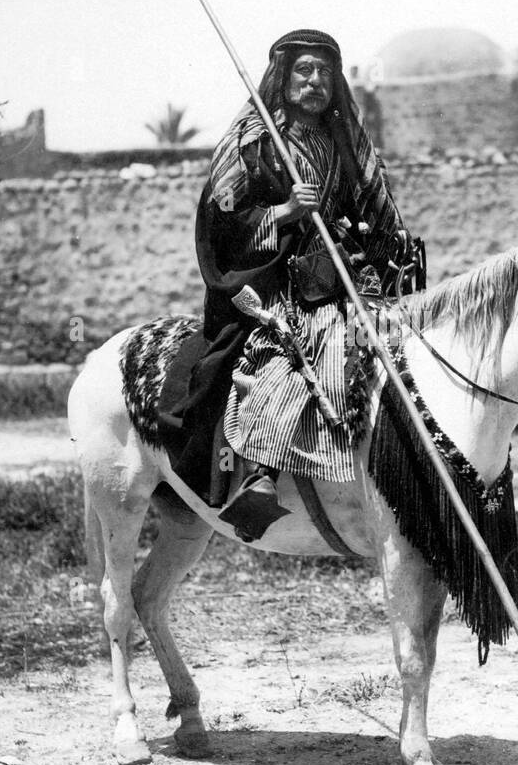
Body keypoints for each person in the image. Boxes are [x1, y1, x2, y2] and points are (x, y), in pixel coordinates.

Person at [158, 28, 422, 541]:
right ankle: (258, 472)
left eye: (325, 72)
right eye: (304, 70)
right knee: (283, 351)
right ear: (283, 77)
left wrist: (392, 246)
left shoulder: (348, 144)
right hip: (272, 280)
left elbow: (378, 210)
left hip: (340, 276)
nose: (316, 81)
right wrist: (283, 211)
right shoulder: (253, 142)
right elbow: (221, 219)